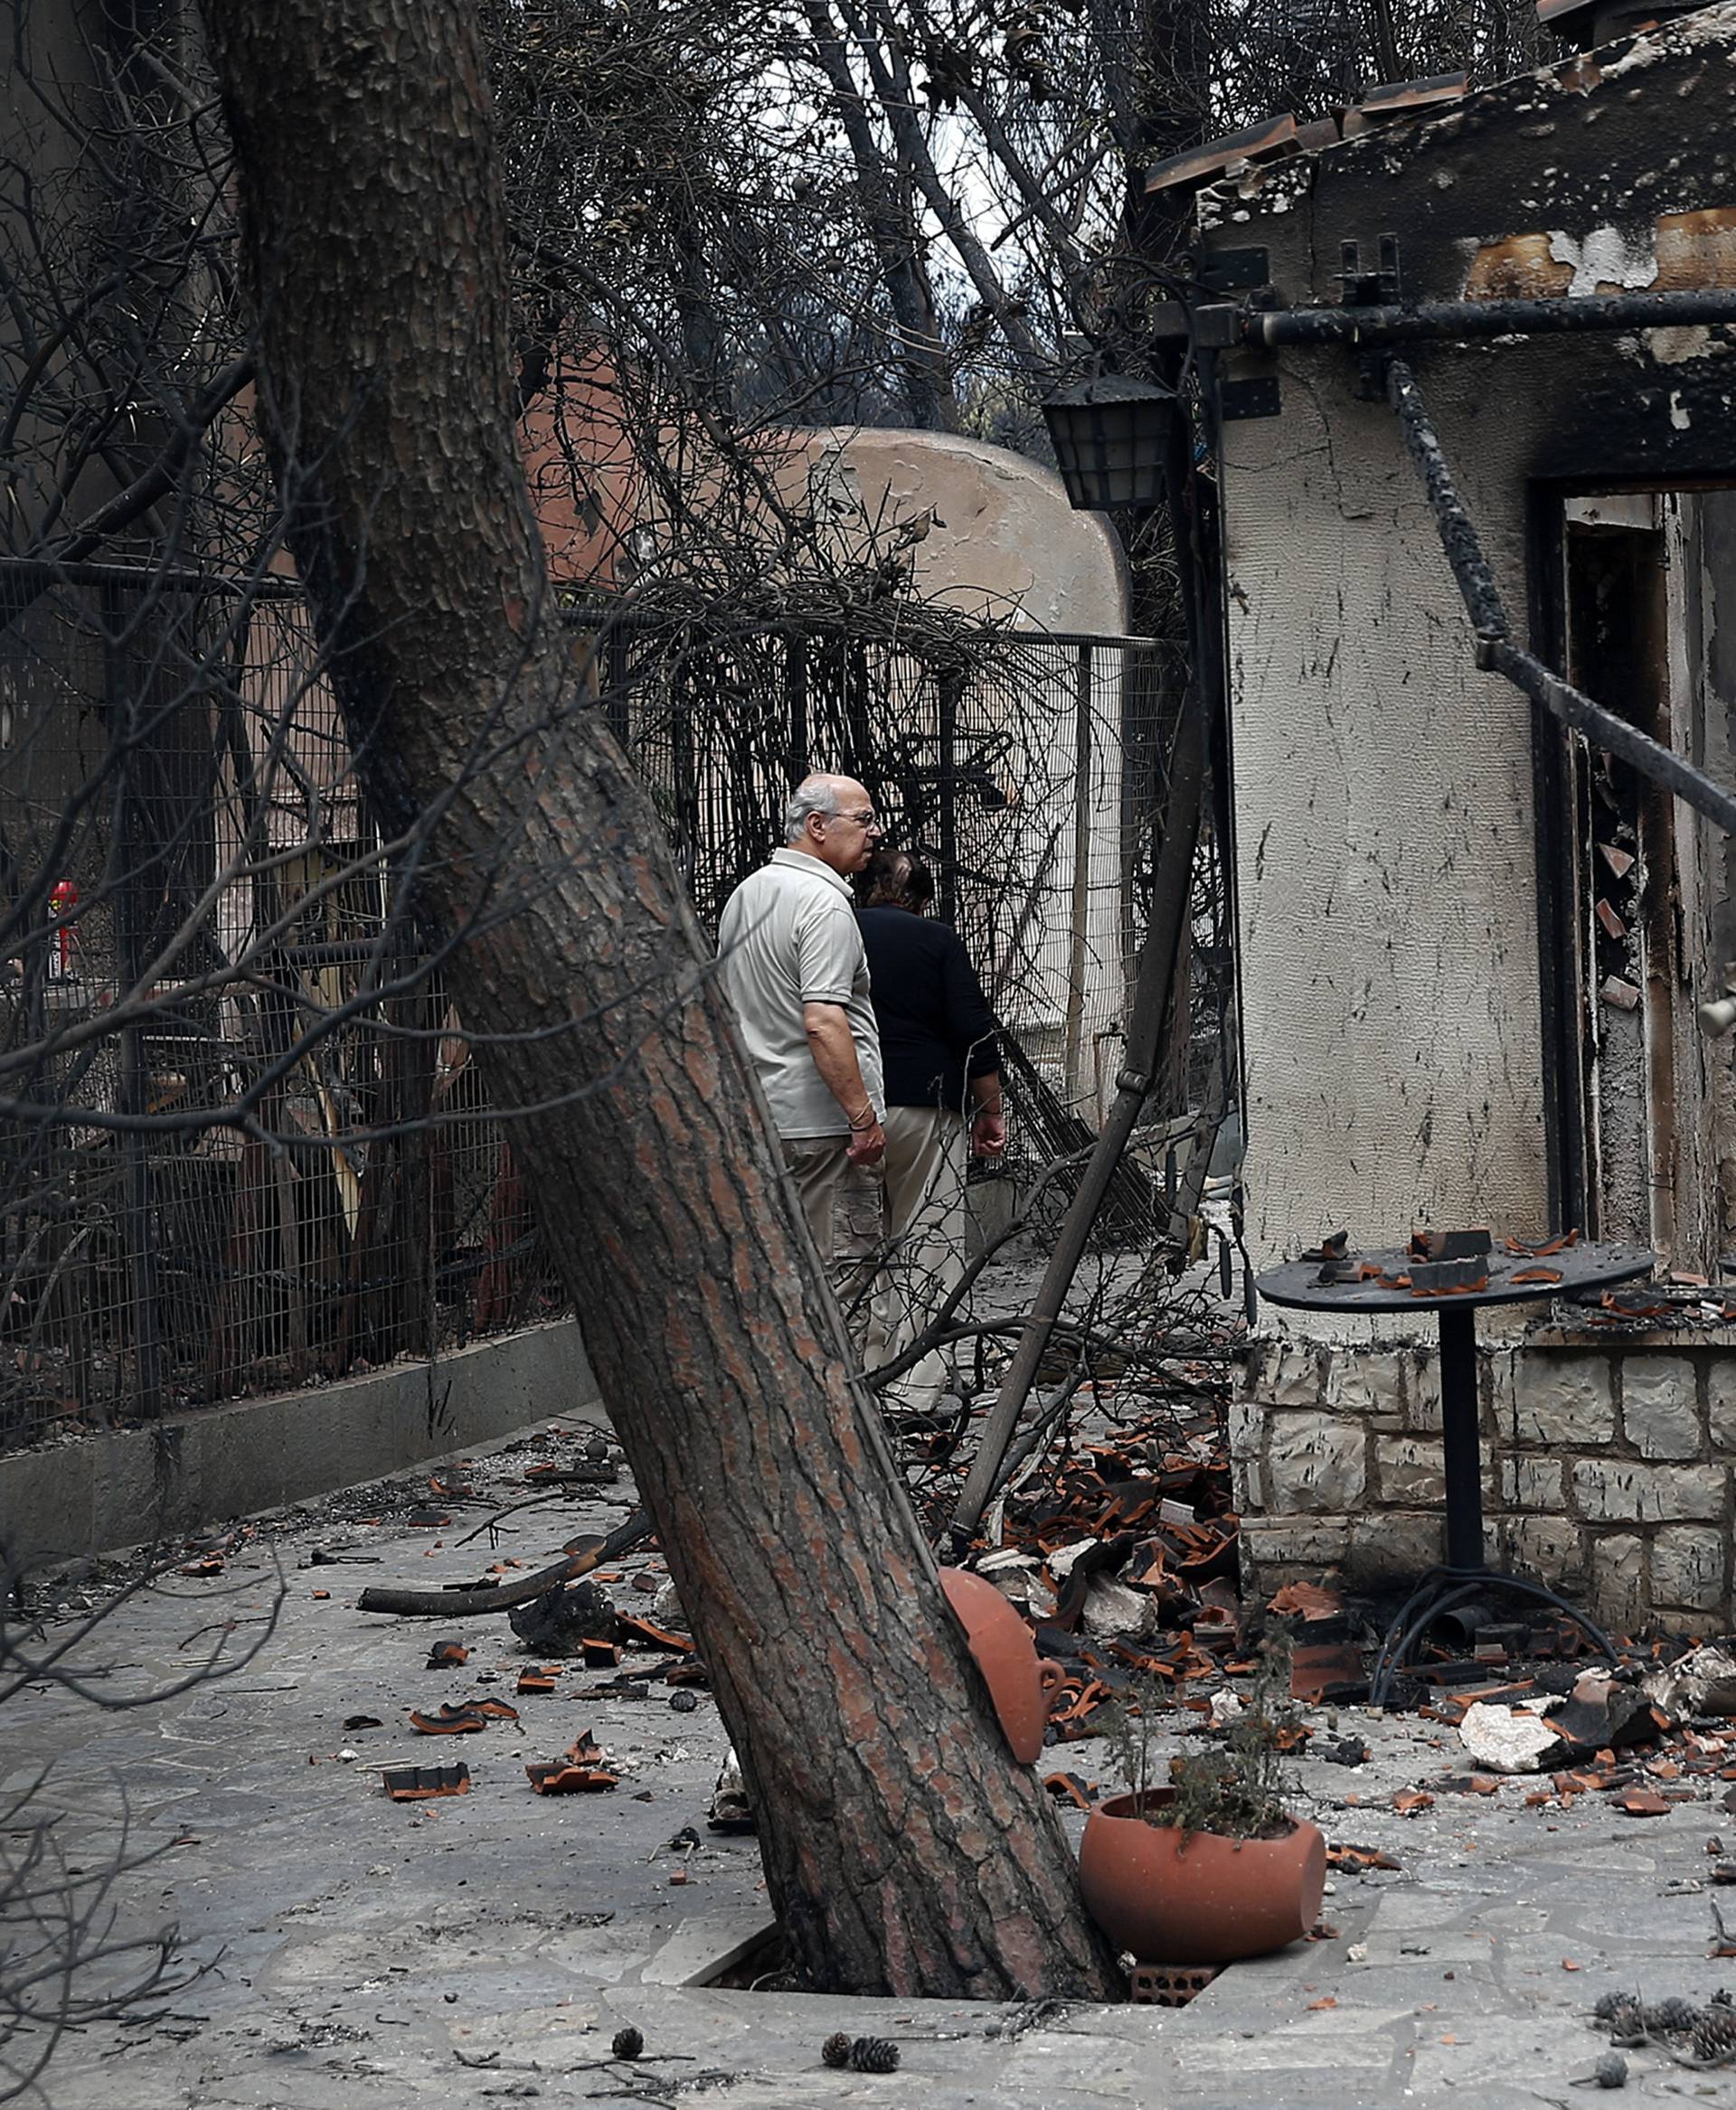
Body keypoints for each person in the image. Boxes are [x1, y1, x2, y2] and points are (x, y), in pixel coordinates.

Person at [851, 848, 1005, 1410]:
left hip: (846, 1109)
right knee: (927, 1241)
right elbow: (973, 1032)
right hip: (926, 1106)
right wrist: (991, 1110)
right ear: (921, 898)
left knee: (855, 1245)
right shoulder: (937, 940)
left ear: (866, 889)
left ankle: (858, 1376)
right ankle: (913, 1387)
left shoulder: (832, 929)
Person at [715, 773, 886, 1261]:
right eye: (863, 820)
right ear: (817, 825)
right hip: (825, 1129)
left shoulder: (746, 896)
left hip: (762, 1116)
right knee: (842, 1280)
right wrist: (862, 1117)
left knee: (778, 1275)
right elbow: (823, 1021)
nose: (874, 832)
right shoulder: (825, 905)